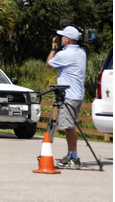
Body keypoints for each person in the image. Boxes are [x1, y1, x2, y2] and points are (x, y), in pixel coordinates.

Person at [46, 25, 87, 168]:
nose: (60, 38)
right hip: (76, 94)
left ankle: (73, 156)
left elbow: (49, 64)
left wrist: (53, 47)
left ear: (68, 39)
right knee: (69, 125)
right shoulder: (81, 52)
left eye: (62, 36)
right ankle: (71, 154)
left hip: (69, 95)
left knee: (68, 126)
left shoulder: (65, 54)